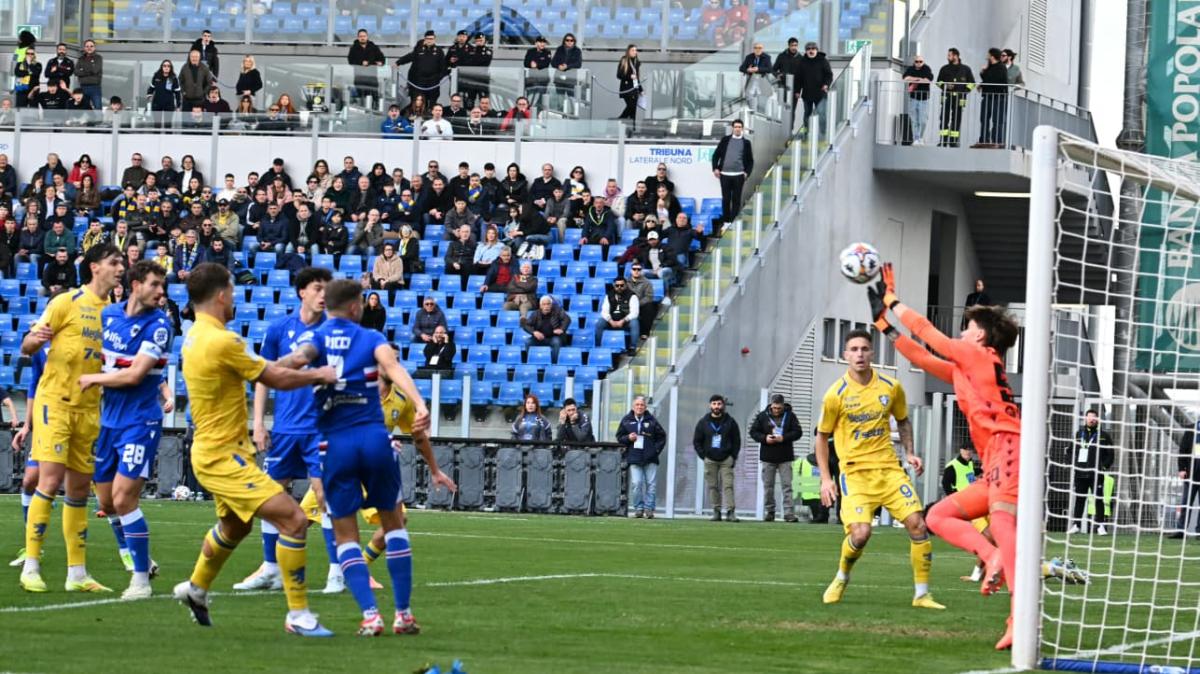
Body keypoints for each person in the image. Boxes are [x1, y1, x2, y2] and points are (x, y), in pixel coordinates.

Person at [172, 262, 338, 636]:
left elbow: (261, 368)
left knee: (235, 526)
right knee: (294, 519)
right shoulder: (223, 340)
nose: (234, 298)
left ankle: (195, 589)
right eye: (231, 291)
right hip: (221, 455)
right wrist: (318, 373)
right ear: (220, 295)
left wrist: (293, 361)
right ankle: (298, 615)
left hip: (215, 450)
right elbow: (274, 377)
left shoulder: (196, 336)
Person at [868, 262, 1022, 648]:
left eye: (968, 327)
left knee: (1004, 524)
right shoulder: (967, 368)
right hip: (993, 459)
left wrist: (893, 301)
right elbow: (921, 357)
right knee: (938, 515)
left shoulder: (980, 356)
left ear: (982, 336)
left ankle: (1021, 617)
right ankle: (990, 557)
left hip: (1009, 445)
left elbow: (927, 334)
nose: (962, 332)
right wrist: (882, 325)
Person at [272, 277, 432, 635]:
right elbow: (394, 370)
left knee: (345, 535)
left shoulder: (316, 338)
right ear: (357, 306)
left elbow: (292, 363)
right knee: (395, 526)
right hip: (375, 440)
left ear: (327, 306)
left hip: (335, 445)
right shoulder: (373, 339)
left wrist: (258, 370)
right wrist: (420, 404)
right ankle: (403, 614)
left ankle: (371, 615)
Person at [19, 244, 125, 593]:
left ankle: (77, 574)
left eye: (121, 262)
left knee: (79, 490)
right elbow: (27, 346)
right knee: (49, 481)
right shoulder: (66, 302)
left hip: (89, 409)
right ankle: (31, 565)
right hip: (56, 404)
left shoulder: (113, 312)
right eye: (114, 262)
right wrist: (35, 339)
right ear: (95, 267)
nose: (120, 268)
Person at [815, 328, 943, 611]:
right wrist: (826, 479)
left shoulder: (890, 387)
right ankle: (841, 577)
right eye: (854, 350)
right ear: (845, 355)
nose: (859, 354)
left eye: (864, 349)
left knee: (918, 524)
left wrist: (910, 452)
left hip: (889, 470)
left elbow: (903, 420)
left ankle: (922, 594)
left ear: (872, 353)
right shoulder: (835, 394)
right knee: (860, 534)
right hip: (855, 474)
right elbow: (822, 437)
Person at [233, 268, 333, 593]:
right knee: (270, 494)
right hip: (286, 428)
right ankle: (270, 567)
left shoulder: (332, 333)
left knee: (324, 493)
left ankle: (337, 571)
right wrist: (259, 422)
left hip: (320, 428)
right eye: (317, 289)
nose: (323, 295)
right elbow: (263, 376)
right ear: (302, 291)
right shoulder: (279, 329)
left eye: (326, 290)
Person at [77, 260, 173, 599]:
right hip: (109, 421)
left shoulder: (160, 326)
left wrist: (92, 378)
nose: (161, 292)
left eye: (163, 285)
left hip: (140, 421)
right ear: (134, 285)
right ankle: (139, 560)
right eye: (154, 284)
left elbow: (134, 376)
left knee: (123, 497)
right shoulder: (109, 315)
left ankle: (140, 580)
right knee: (106, 500)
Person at [750, 393, 804, 522]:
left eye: (779, 408)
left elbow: (798, 432)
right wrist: (765, 438)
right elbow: (753, 432)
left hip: (785, 456)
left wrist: (784, 437)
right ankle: (770, 511)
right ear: (771, 405)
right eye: (774, 408)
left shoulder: (790, 416)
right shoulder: (762, 416)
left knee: (787, 486)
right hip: (768, 457)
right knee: (768, 486)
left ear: (783, 406)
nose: (776, 410)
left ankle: (789, 513)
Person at [693, 395, 742, 522]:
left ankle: (730, 512)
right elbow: (697, 441)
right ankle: (716, 511)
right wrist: (703, 456)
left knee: (728, 485)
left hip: (726, 459)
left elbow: (737, 440)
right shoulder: (703, 422)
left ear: (723, 405)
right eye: (714, 404)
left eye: (719, 404)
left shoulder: (730, 422)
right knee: (712, 486)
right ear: (710, 405)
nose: (716, 407)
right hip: (710, 459)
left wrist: (733, 456)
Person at [616, 396, 666, 518]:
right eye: (637, 405)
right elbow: (619, 437)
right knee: (636, 484)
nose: (639, 407)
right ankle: (638, 508)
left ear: (645, 407)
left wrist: (655, 451)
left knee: (651, 484)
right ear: (633, 407)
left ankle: (649, 509)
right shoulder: (626, 420)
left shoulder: (652, 420)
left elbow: (662, 437)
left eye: (642, 405)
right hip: (634, 457)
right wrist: (628, 438)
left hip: (650, 458)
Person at [1068, 410, 1114, 535]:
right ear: (1085, 418)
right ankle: (1076, 525)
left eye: (1094, 417)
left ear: (1098, 420)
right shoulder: (1079, 434)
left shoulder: (1104, 435)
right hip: (1081, 473)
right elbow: (1070, 451)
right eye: (1089, 417)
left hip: (1096, 474)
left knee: (1098, 499)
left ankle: (1100, 526)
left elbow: (1111, 454)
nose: (1092, 419)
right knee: (1080, 499)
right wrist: (1074, 465)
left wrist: (1103, 467)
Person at [712, 119, 754, 227]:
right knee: (726, 199)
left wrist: (746, 173)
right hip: (724, 175)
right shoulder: (725, 140)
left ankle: (733, 222)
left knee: (736, 200)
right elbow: (716, 155)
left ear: (742, 129)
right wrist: (715, 168)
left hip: (739, 176)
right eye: (736, 127)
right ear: (732, 128)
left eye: (740, 127)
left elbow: (750, 161)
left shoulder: (746, 143)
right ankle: (726, 222)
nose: (737, 129)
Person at [936, 47, 974, 148]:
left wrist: (964, 92)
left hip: (959, 99)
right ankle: (943, 141)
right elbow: (938, 82)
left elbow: (971, 83)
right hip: (947, 97)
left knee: (956, 120)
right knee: (944, 118)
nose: (947, 57)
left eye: (949, 55)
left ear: (956, 56)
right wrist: (946, 86)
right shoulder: (944, 69)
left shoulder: (966, 69)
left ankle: (953, 141)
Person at [395, 30, 447, 103]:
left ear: (434, 39)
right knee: (419, 101)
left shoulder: (439, 51)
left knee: (432, 100)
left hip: (433, 81)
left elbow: (443, 67)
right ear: (425, 39)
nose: (429, 40)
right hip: (420, 81)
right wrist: (398, 62)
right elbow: (409, 57)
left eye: (431, 39)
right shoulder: (419, 49)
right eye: (427, 39)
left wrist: (438, 78)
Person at [595, 277, 640, 355]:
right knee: (600, 322)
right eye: (617, 285)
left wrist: (623, 321)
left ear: (626, 285)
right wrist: (610, 321)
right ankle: (598, 346)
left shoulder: (632, 296)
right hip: (612, 321)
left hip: (625, 321)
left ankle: (632, 347)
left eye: (622, 285)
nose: (619, 287)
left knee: (634, 322)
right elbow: (604, 312)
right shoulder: (609, 295)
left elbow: (634, 313)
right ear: (614, 285)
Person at [793, 41, 832, 126]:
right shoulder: (802, 62)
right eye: (808, 49)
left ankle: (822, 133)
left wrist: (826, 84)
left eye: (813, 49)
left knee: (821, 114)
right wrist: (797, 91)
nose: (811, 51)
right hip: (807, 94)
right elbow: (798, 78)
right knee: (807, 113)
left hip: (820, 93)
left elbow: (829, 75)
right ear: (806, 51)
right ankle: (807, 132)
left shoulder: (823, 60)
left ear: (817, 50)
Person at [521, 295, 569, 360]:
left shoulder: (558, 311)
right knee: (528, 342)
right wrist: (534, 332)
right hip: (540, 338)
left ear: (551, 305)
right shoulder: (535, 314)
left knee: (556, 342)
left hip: (553, 337)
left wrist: (562, 329)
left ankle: (554, 363)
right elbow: (526, 325)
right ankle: (532, 360)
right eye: (544, 304)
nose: (546, 306)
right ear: (540, 306)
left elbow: (567, 319)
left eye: (548, 304)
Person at [1174, 422, 1200, 539]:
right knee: (1186, 503)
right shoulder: (1191, 429)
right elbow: (1183, 450)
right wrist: (1181, 469)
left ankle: (1199, 531)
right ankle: (1181, 530)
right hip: (1191, 473)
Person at [977, 48, 1008, 147]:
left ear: (992, 56)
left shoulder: (1001, 67)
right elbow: (987, 80)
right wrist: (982, 74)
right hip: (987, 97)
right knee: (984, 118)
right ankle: (984, 139)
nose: (987, 56)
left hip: (998, 98)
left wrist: (984, 78)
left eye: (988, 54)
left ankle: (997, 140)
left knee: (997, 120)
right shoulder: (989, 67)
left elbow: (995, 81)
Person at [902, 55, 934, 144]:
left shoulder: (926, 69)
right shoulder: (910, 69)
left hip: (924, 99)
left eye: (920, 61)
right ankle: (916, 138)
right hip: (913, 98)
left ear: (923, 62)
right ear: (914, 62)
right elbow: (905, 78)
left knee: (923, 120)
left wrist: (915, 80)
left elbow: (929, 79)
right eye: (917, 61)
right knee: (914, 119)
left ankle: (920, 137)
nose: (919, 63)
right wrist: (918, 79)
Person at [348, 29, 386, 104]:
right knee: (362, 99)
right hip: (359, 78)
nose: (362, 38)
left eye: (364, 36)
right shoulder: (354, 48)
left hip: (372, 78)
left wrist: (380, 63)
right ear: (358, 37)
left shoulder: (373, 47)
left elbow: (382, 59)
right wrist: (361, 63)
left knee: (375, 98)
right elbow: (351, 61)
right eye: (361, 36)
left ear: (367, 37)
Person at [458, 33, 492, 109]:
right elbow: (467, 62)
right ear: (475, 41)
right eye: (477, 40)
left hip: (483, 79)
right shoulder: (471, 50)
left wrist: (473, 60)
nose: (479, 42)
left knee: (484, 101)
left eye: (481, 40)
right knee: (469, 101)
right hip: (471, 79)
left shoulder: (488, 51)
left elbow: (483, 62)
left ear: (484, 41)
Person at [179, 49, 214, 113]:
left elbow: (209, 82)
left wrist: (204, 93)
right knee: (186, 120)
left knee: (199, 120)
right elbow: (180, 80)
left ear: (199, 57)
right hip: (187, 100)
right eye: (192, 56)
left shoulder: (204, 68)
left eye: (196, 57)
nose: (194, 58)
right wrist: (183, 92)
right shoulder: (185, 67)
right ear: (189, 57)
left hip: (200, 100)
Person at [523, 36, 552, 109]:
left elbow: (546, 64)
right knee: (530, 98)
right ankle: (528, 113)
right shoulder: (530, 51)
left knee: (541, 100)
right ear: (536, 43)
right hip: (532, 80)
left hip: (542, 80)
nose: (542, 44)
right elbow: (526, 63)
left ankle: (538, 115)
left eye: (543, 42)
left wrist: (536, 65)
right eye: (540, 42)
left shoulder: (547, 52)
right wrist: (531, 64)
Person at [616, 44, 642, 121]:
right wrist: (629, 76)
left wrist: (641, 89)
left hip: (635, 89)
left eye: (636, 50)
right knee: (631, 106)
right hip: (627, 89)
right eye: (633, 50)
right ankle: (620, 120)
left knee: (633, 110)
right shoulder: (624, 60)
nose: (635, 52)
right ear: (628, 51)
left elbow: (637, 78)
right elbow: (619, 75)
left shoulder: (637, 62)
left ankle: (631, 127)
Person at [77, 40, 104, 110]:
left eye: (91, 46)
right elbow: (76, 72)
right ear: (84, 48)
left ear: (94, 48)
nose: (89, 48)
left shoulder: (98, 58)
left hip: (95, 88)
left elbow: (95, 70)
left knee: (98, 107)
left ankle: (98, 121)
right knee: (84, 108)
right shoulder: (81, 59)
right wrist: (89, 69)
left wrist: (83, 70)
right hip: (83, 87)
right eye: (87, 46)